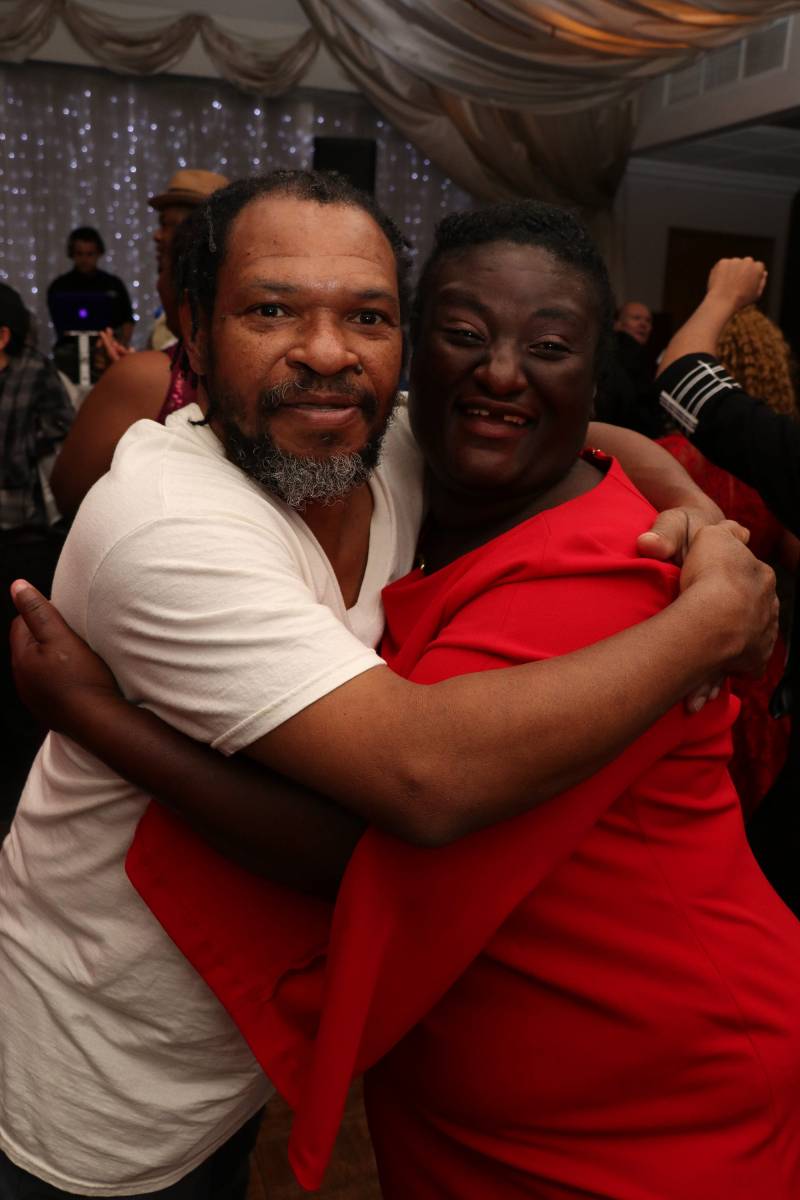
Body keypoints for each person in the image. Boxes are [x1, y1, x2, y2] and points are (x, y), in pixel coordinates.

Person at [2, 176, 775, 1199]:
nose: (327, 352)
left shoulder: (376, 443)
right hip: (103, 1074)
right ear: (192, 332)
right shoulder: (167, 525)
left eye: (366, 317)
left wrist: (700, 517)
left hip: (236, 1057)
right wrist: (710, 625)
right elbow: (412, 789)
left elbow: (574, 429)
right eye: (271, 309)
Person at [655, 256, 800, 915]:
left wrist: (722, 293)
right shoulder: (776, 473)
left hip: (688, 667)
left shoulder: (665, 461)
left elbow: (682, 376)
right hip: (760, 671)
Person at [49, 170, 228, 519]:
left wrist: (131, 380)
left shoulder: (156, 375)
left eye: (170, 225)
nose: (158, 236)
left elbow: (69, 493)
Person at [0, 283, 74, 821]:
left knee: (18, 669)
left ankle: (19, 787)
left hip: (23, 540)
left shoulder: (35, 375)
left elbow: (61, 441)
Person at [47, 226, 134, 384]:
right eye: (79, 254)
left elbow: (128, 321)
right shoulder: (59, 286)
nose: (84, 259)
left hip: (104, 347)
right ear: (72, 254)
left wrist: (119, 346)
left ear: (98, 253)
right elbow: (59, 323)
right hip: (70, 350)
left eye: (89, 254)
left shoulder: (113, 284)